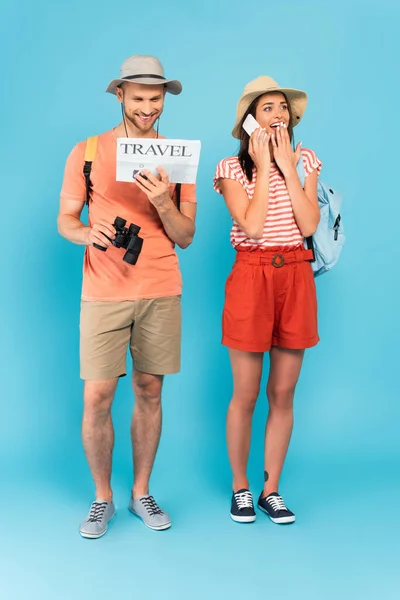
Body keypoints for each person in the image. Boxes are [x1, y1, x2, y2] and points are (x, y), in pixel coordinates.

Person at [58, 55, 197, 538]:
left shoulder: (178, 155)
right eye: (138, 98)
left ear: (164, 99)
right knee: (97, 395)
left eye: (155, 98)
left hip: (160, 287)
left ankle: (141, 492)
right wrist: (86, 234)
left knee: (149, 390)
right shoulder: (89, 151)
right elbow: (66, 220)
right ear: (120, 95)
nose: (147, 107)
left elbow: (186, 236)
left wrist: (162, 200)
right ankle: (103, 498)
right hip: (103, 290)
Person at [213, 76, 322, 524]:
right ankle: (241, 487)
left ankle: (270, 489)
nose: (277, 115)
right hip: (252, 274)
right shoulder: (229, 168)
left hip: (296, 273)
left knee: (283, 391)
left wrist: (287, 167)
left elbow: (310, 223)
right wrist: (261, 165)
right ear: (249, 121)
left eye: (282, 108)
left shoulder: (306, 159)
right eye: (266, 109)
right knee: (246, 392)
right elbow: (254, 227)